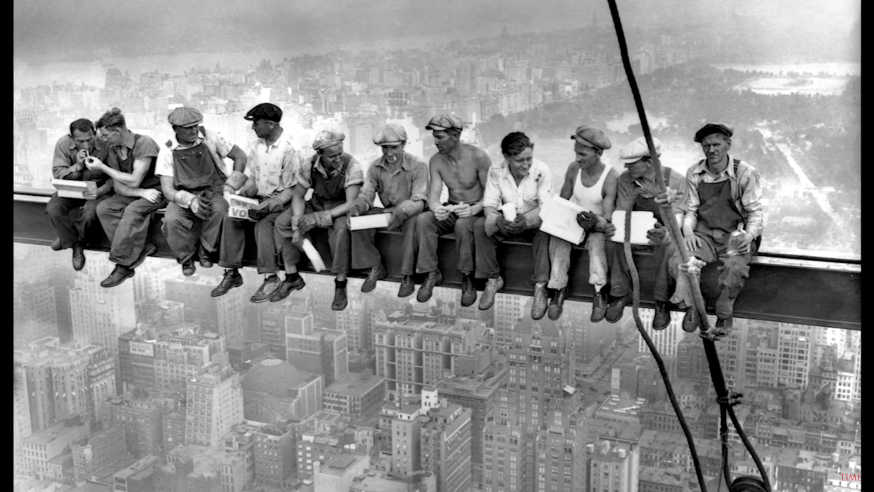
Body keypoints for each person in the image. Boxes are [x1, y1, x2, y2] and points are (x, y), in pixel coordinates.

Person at [670, 123, 763, 333]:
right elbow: (691, 209)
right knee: (682, 260)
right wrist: (689, 232)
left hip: (735, 235)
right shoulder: (694, 172)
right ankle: (694, 306)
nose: (711, 150)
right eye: (706, 146)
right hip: (705, 233)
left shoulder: (745, 173)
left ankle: (724, 313)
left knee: (735, 268)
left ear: (727, 144)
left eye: (716, 144)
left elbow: (755, 212)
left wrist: (748, 236)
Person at [211, 103, 302, 302]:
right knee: (231, 216)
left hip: (281, 204)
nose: (254, 128)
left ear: (270, 124)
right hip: (260, 199)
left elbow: (291, 190)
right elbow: (253, 178)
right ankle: (231, 272)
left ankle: (271, 277)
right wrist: (243, 196)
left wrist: (268, 206)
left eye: (256, 123)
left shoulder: (290, 150)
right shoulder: (258, 147)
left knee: (264, 224)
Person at [273, 130, 364, 310]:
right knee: (282, 222)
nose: (338, 159)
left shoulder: (353, 166)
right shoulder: (309, 165)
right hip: (317, 202)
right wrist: (297, 226)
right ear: (320, 154)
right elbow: (298, 196)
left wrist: (317, 218)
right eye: (332, 157)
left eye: (340, 154)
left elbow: (350, 203)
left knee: (341, 231)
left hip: (340, 208)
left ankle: (340, 283)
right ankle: (292, 276)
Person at [604, 136, 688, 328]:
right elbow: (622, 210)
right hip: (634, 229)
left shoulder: (675, 181)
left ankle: (661, 301)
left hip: (663, 232)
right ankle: (619, 293)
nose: (627, 168)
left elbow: (678, 219)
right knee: (612, 240)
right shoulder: (626, 180)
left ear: (649, 162)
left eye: (632, 164)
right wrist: (614, 226)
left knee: (667, 246)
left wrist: (666, 233)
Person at [156, 106, 248, 277]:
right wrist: (190, 201)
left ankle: (206, 250)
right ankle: (186, 258)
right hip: (184, 194)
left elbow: (241, 156)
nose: (193, 131)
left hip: (214, 190)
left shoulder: (210, 136)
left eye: (195, 126)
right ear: (175, 129)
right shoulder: (167, 150)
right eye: (187, 128)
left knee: (220, 210)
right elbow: (168, 190)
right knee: (171, 219)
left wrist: (230, 186)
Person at [415, 113, 491, 304]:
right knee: (424, 220)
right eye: (434, 136)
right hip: (452, 207)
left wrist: (474, 210)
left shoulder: (479, 157)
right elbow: (433, 196)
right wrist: (437, 208)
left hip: (476, 210)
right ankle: (431, 272)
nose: (435, 141)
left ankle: (467, 277)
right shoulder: (436, 161)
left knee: (463, 225)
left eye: (440, 137)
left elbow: (492, 195)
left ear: (455, 136)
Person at [474, 132, 553, 317]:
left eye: (529, 159)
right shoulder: (496, 171)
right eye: (519, 160)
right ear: (507, 157)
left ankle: (540, 287)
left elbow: (546, 207)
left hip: (533, 221)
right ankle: (493, 278)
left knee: (545, 232)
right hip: (508, 220)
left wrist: (526, 221)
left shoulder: (542, 171)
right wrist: (497, 219)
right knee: (480, 227)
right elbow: (489, 204)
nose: (526, 165)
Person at [347, 123, 429, 296]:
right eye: (385, 148)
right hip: (388, 213)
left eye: (394, 148)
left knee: (413, 223)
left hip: (409, 212)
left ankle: (407, 275)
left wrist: (402, 210)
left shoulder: (418, 166)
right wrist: (356, 208)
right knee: (358, 222)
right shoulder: (376, 167)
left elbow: (419, 199)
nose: (389, 153)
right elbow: (367, 194)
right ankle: (375, 266)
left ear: (403, 145)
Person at [88, 108, 166, 287]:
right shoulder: (114, 149)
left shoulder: (144, 144)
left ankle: (123, 265)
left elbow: (134, 179)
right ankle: (141, 247)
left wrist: (103, 168)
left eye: (106, 135)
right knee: (105, 208)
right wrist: (141, 193)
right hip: (140, 193)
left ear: (117, 131)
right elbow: (118, 185)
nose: (105, 139)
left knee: (132, 211)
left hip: (158, 192)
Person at [546, 125, 618, 321]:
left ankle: (599, 290)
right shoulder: (573, 169)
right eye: (576, 153)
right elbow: (563, 200)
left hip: (596, 225)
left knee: (596, 246)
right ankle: (559, 287)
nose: (578, 158)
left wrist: (597, 222)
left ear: (598, 153)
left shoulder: (610, 178)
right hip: (575, 220)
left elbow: (609, 215)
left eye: (583, 154)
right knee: (558, 240)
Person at [46, 118, 113, 271]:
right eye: (80, 141)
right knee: (54, 209)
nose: (86, 145)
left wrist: (100, 191)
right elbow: (58, 174)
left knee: (90, 214)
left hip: (97, 189)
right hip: (71, 188)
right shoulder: (63, 144)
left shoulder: (105, 143)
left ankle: (68, 238)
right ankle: (74, 242)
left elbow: (114, 176)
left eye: (89, 140)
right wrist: (78, 167)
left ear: (94, 134)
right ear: (71, 138)